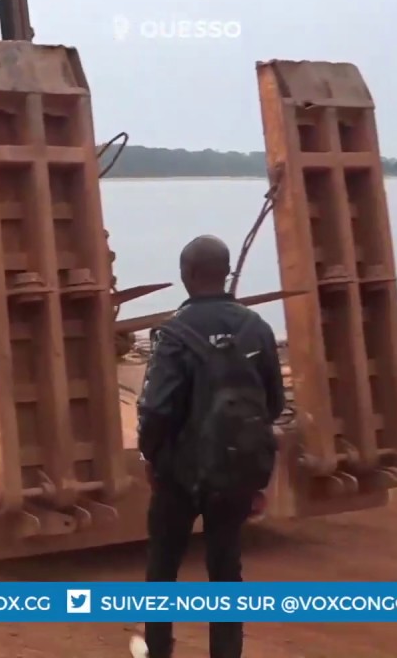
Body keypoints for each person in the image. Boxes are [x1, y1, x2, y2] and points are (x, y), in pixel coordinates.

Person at [135, 235, 285, 658]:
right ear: (226, 272)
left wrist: (151, 457)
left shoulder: (173, 333)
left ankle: (158, 650)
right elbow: (273, 403)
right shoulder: (257, 328)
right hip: (235, 472)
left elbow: (157, 409)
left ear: (186, 274)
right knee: (225, 570)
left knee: (163, 567)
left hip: (178, 475)